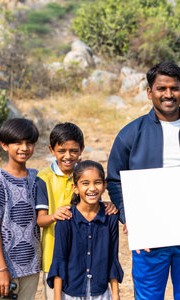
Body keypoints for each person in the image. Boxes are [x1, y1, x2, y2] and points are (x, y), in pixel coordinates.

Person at [106, 62, 180, 299]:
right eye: (161, 88)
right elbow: (114, 179)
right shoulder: (131, 133)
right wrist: (130, 216)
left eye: (174, 88)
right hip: (150, 235)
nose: (168, 94)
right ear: (150, 92)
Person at [36, 122, 117, 300]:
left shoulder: (86, 174)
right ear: (52, 150)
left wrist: (107, 205)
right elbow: (40, 220)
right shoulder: (43, 178)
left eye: (73, 151)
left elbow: (93, 202)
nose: (68, 156)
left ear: (82, 149)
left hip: (87, 258)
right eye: (62, 150)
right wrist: (54, 215)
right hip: (53, 258)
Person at [47, 160, 123, 300]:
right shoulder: (66, 219)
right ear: (75, 187)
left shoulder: (110, 218)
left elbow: (113, 257)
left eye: (97, 182)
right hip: (71, 292)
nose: (92, 188)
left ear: (105, 185)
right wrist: (57, 297)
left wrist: (116, 294)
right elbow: (59, 259)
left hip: (100, 292)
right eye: (85, 183)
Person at [0, 118, 41, 299]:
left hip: (31, 266)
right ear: (4, 145)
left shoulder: (36, 177)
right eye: (17, 142)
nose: (24, 148)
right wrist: (1, 268)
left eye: (29, 143)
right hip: (5, 268)